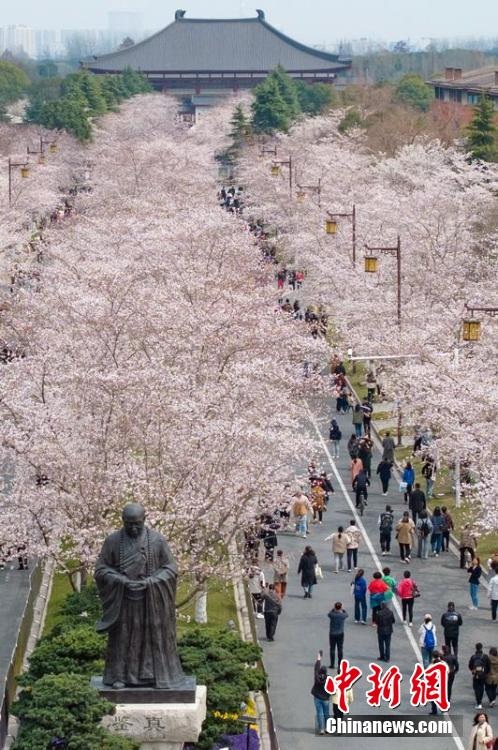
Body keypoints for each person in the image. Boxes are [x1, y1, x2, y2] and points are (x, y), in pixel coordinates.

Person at [94, 503, 188, 690]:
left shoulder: (157, 541)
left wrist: (151, 582)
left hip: (150, 601)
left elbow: (170, 568)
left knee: (151, 638)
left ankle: (153, 676)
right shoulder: (113, 541)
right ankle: (119, 676)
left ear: (145, 520)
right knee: (123, 637)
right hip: (124, 600)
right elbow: (101, 569)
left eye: (137, 523)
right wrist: (120, 580)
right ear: (123, 521)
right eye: (129, 524)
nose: (133, 528)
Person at [311, 651, 330, 735]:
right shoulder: (328, 679)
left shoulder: (317, 677)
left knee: (319, 713)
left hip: (317, 697)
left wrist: (318, 659)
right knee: (326, 713)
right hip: (325, 699)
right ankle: (328, 728)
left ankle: (321, 729)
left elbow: (316, 668)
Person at [469, 645, 491, 709]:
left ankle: (478, 702)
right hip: (483, 675)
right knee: (481, 687)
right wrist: (486, 673)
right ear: (481, 648)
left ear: (476, 648)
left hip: (476, 674)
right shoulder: (485, 656)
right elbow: (488, 666)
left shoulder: (473, 657)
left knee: (476, 688)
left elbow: (470, 665)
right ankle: (480, 702)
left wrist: (473, 671)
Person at [328, 601, 348, 669]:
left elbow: (329, 613)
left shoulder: (332, 615)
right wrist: (343, 609)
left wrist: (333, 609)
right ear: (340, 607)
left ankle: (332, 664)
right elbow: (346, 614)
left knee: (332, 649)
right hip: (340, 634)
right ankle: (340, 664)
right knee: (340, 649)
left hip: (332, 633)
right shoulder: (342, 615)